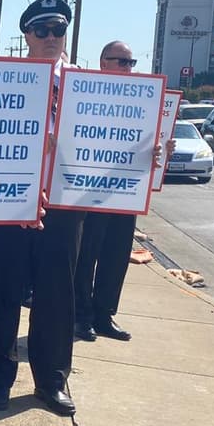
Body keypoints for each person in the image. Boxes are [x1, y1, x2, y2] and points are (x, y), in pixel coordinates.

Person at [0, 0, 85, 417]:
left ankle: (51, 381)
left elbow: (112, 142)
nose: (51, 38)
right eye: (41, 30)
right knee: (1, 292)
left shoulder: (82, 83)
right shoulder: (0, 79)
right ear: (26, 35)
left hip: (62, 204)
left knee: (58, 295)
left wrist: (148, 151)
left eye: (58, 29)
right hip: (7, 201)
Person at [74, 41, 140, 342]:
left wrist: (159, 149)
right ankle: (82, 316)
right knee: (86, 256)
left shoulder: (142, 100)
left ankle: (104, 315)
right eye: (122, 62)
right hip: (90, 193)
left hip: (124, 193)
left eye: (131, 62)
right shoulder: (86, 94)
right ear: (104, 63)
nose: (128, 68)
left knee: (116, 256)